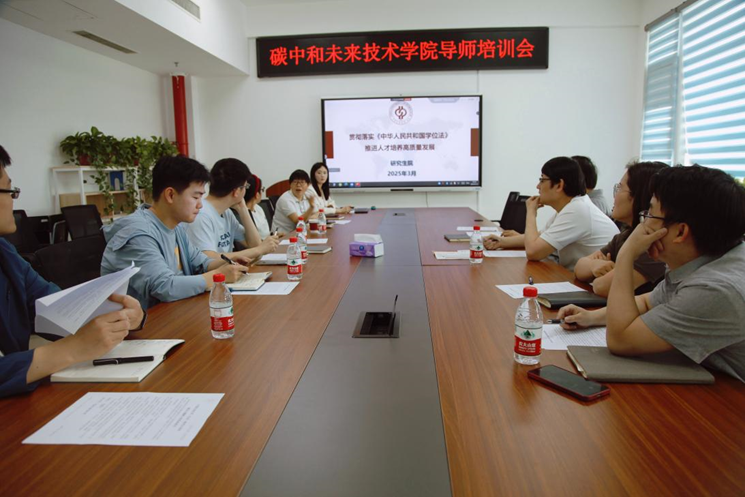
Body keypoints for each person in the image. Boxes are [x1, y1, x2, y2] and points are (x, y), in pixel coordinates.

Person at [559, 165, 745, 382]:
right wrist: (592, 317)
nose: (643, 223)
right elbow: (650, 302)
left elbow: (621, 340)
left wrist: (627, 255)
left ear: (680, 232)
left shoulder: (715, 289)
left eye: (650, 213)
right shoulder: (699, 258)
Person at [0, 145, 145, 398]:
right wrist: (71, 349)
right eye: (9, 190)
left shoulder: (5, 253)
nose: (14, 199)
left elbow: (55, 306)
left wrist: (121, 316)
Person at [101, 156, 248, 310]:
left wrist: (227, 263)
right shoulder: (138, 234)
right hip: (144, 321)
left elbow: (201, 263)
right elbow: (165, 287)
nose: (200, 205)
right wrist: (219, 276)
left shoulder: (176, 227)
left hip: (174, 311)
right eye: (195, 197)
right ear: (170, 195)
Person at [484, 157, 619, 270]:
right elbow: (541, 237)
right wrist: (501, 242)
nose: (538, 186)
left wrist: (531, 212)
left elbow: (533, 252)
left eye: (542, 180)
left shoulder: (578, 210)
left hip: (592, 286)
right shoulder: (572, 206)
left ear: (559, 185)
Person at [574, 161, 668, 296]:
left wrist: (606, 272)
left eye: (619, 188)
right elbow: (579, 267)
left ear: (638, 196)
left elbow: (602, 286)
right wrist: (594, 265)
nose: (614, 195)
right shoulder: (625, 235)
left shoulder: (654, 245)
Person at [187, 158, 278, 261]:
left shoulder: (226, 212)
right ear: (236, 191)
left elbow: (254, 244)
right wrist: (258, 250)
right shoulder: (200, 215)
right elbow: (208, 259)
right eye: (245, 186)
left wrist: (243, 210)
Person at [271, 169, 315, 234]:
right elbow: (298, 221)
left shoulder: (306, 196)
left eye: (302, 182)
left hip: (298, 233)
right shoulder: (285, 199)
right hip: (282, 236)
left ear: (308, 185)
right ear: (290, 185)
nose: (298, 185)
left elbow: (314, 214)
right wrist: (311, 207)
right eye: (295, 182)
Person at [244, 174, 271, 239]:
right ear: (257, 195)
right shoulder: (242, 213)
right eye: (262, 189)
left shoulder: (258, 208)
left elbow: (265, 233)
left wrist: (274, 236)